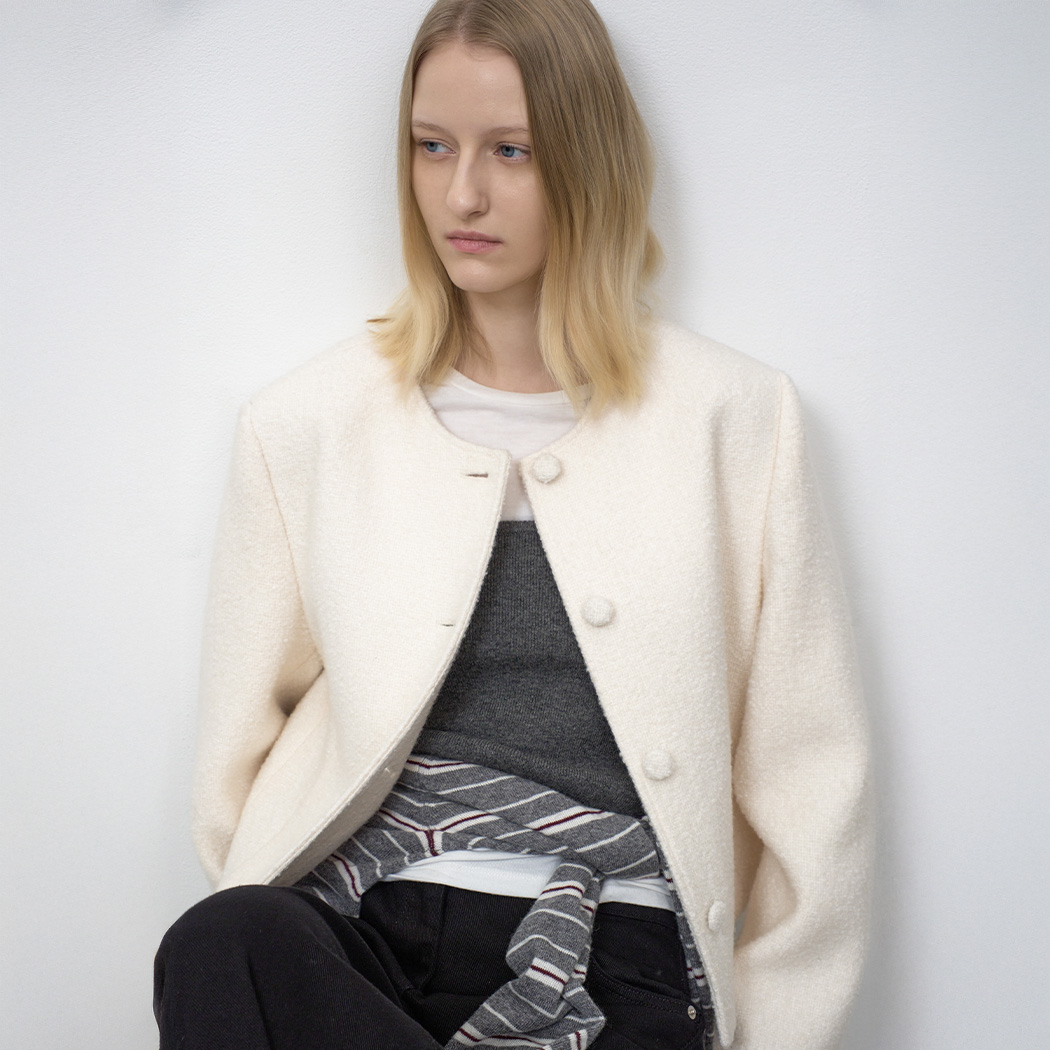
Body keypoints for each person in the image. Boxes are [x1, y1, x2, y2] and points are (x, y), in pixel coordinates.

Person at [154, 0, 874, 1047]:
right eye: (432, 146)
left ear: (588, 161)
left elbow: (813, 774)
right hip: (364, 936)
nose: (462, 194)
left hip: (620, 951)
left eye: (512, 150)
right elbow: (238, 765)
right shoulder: (307, 424)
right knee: (222, 941)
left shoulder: (735, 419)